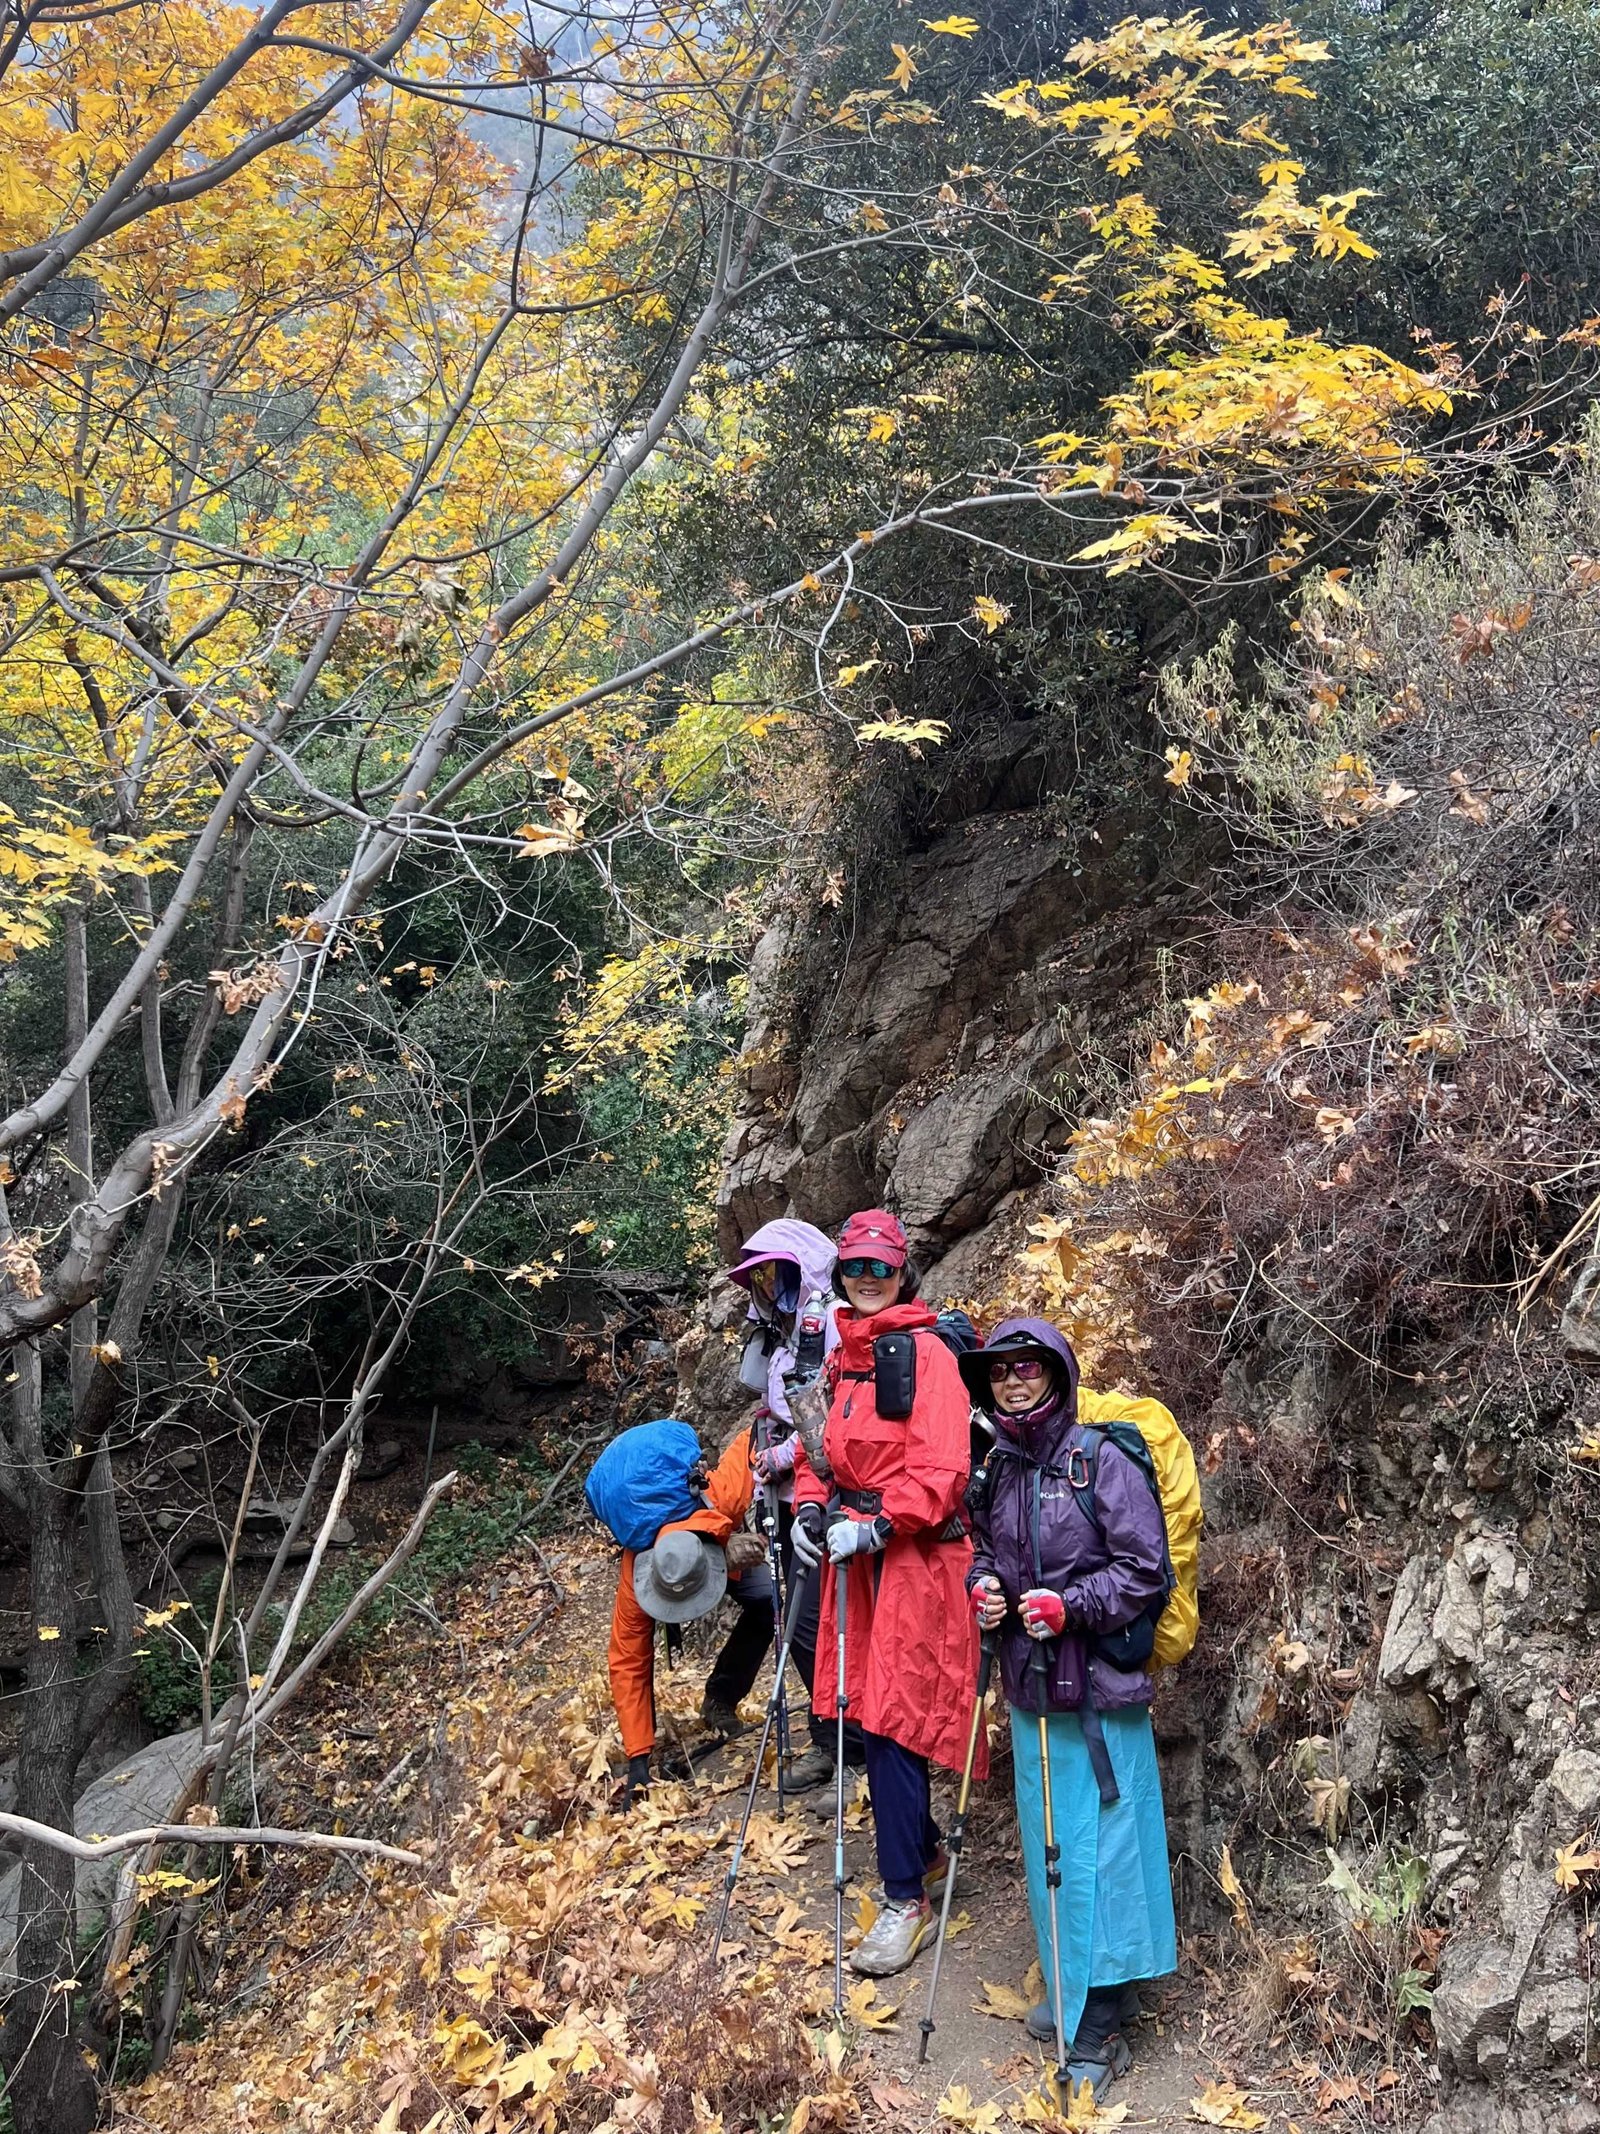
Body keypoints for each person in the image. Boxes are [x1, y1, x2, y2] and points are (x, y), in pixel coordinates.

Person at [962, 1317, 1177, 2101]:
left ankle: (1102, 2026)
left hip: (1097, 1693)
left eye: (1028, 1367)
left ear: (1056, 1372)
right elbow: (986, 1552)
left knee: (1105, 1851)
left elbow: (1145, 1569)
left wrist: (1072, 1606)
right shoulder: (999, 1468)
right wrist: (985, 1590)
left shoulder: (1101, 1461)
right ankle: (1075, 1985)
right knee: (1051, 1841)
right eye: (1000, 1371)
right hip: (1032, 1687)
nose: (1013, 1381)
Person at [790, 1208, 983, 1976]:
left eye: (882, 1266)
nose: (868, 1278)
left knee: (894, 1720)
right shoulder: (844, 1355)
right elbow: (820, 1452)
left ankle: (906, 1900)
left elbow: (944, 1471)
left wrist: (877, 1525)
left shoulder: (926, 1354)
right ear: (840, 1273)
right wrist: (809, 1508)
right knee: (869, 1711)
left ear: (904, 1272)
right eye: (856, 1266)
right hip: (858, 1562)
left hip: (916, 1560)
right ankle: (925, 1854)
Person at [726, 1218, 864, 1787]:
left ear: (801, 1267)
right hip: (788, 1495)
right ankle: (831, 1737)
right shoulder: (781, 1331)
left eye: (774, 1271)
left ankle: (852, 1747)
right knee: (802, 1624)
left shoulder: (829, 1321)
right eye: (758, 1276)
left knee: (818, 1624)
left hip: (828, 1493)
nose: (766, 1284)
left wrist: (782, 1455)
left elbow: (837, 1410)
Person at [607, 1419, 772, 1804]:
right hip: (678, 1558)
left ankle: (720, 1698)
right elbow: (628, 1660)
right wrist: (638, 1759)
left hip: (718, 1547)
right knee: (635, 1651)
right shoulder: (636, 1576)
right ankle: (647, 1737)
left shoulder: (724, 1498)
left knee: (765, 1599)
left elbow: (754, 1436)